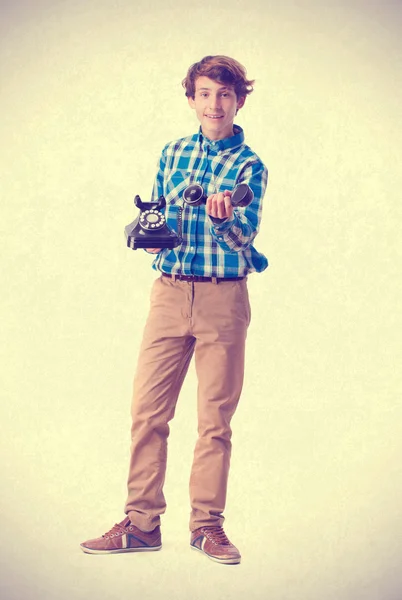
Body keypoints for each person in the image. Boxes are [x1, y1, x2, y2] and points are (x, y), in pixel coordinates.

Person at [80, 55, 268, 565]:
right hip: (168, 293)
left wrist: (225, 218)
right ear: (191, 99)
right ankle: (141, 524)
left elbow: (244, 236)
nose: (214, 103)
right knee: (147, 412)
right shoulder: (172, 152)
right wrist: (148, 236)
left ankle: (207, 526)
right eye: (205, 93)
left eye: (224, 94)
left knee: (215, 421)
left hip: (223, 297)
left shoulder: (250, 165)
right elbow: (159, 215)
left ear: (239, 101)